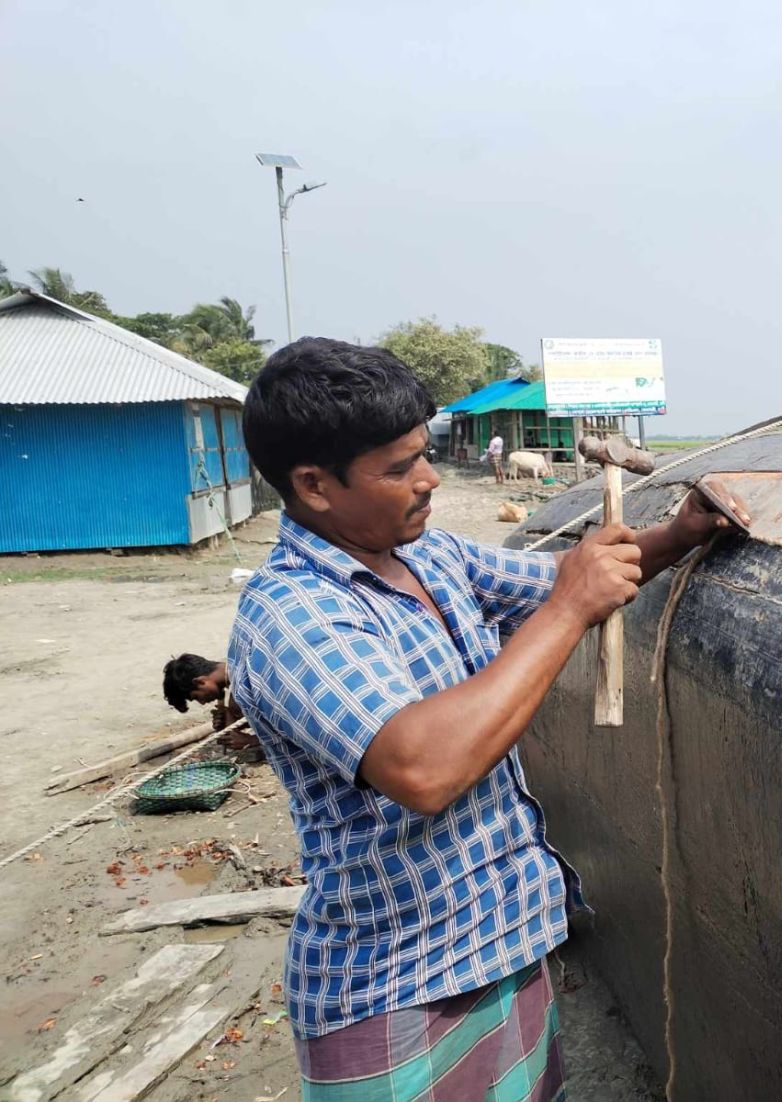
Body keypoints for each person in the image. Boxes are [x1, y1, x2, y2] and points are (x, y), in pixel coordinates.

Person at [229, 338, 747, 1100]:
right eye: (400, 467)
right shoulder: (291, 612)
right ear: (312, 485)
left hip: (499, 940)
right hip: (398, 985)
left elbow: (561, 584)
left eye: (423, 454)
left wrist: (677, 533)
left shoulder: (428, 557)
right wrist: (572, 605)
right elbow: (423, 767)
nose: (430, 478)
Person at [161, 653, 252, 746]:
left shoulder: (252, 679)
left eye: (197, 697)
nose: (203, 702)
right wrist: (234, 724)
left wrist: (250, 740)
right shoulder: (229, 687)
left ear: (200, 681)